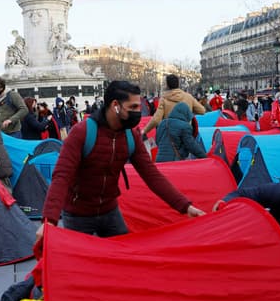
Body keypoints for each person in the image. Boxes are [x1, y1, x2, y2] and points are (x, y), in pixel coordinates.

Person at [38, 81, 205, 241]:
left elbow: (152, 175)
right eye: (133, 107)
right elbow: (62, 176)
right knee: (79, 264)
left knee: (122, 257)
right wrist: (49, 220)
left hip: (109, 211)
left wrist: (185, 207)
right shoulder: (81, 132)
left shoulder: (131, 135)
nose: (138, 112)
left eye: (139, 106)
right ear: (115, 105)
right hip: (78, 214)